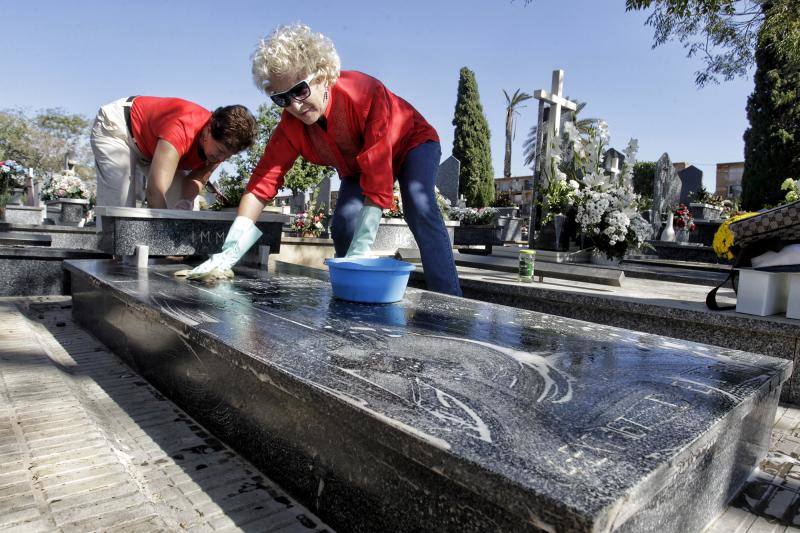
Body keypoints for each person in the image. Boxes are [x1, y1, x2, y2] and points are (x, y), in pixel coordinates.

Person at [182, 23, 462, 296]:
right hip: (357, 167)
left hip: (412, 144)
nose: (294, 105)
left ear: (323, 74)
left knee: (419, 204)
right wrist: (230, 252)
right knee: (343, 224)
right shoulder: (290, 128)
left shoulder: (365, 94)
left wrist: (360, 252)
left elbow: (378, 175)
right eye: (282, 99)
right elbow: (260, 185)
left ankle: (451, 303)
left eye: (300, 91)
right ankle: (353, 292)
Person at [90, 96, 257, 210]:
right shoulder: (182, 128)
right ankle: (112, 257)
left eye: (228, 156)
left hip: (152, 147)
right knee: (120, 204)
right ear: (208, 129)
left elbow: (197, 178)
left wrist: (185, 201)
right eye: (220, 151)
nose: (221, 159)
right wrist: (166, 235)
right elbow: (155, 191)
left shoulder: (222, 145)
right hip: (121, 129)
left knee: (184, 208)